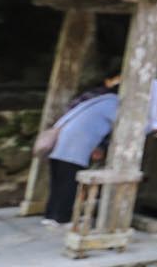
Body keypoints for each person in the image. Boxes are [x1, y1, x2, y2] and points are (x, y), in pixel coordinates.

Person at [43, 77, 121, 225]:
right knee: (69, 183)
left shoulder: (95, 101)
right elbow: (122, 124)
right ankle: (62, 218)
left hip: (60, 143)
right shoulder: (113, 104)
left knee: (57, 182)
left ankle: (50, 215)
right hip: (75, 147)